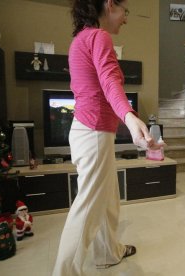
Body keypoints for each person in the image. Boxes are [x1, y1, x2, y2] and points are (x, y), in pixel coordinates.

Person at [53, 0, 158, 274]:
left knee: (108, 198)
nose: (125, 18)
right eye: (125, 11)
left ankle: (108, 252)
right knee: (87, 208)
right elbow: (110, 80)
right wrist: (130, 117)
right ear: (110, 5)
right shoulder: (99, 36)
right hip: (95, 132)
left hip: (89, 131)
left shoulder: (80, 39)